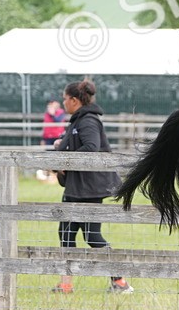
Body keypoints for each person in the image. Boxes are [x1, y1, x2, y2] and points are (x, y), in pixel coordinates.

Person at [51, 80, 130, 294]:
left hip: (88, 188)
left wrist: (65, 158)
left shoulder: (88, 121)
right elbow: (76, 145)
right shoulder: (78, 121)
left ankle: (120, 281)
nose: (63, 102)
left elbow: (91, 147)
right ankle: (66, 284)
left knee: (91, 235)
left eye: (65, 98)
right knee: (66, 232)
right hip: (78, 186)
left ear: (74, 100)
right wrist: (61, 145)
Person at [37, 98, 67, 183]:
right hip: (48, 138)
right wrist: (43, 139)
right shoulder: (47, 114)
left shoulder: (61, 112)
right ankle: (49, 176)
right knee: (47, 156)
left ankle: (56, 176)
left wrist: (53, 114)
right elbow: (45, 127)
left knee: (56, 157)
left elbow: (57, 121)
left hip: (57, 138)